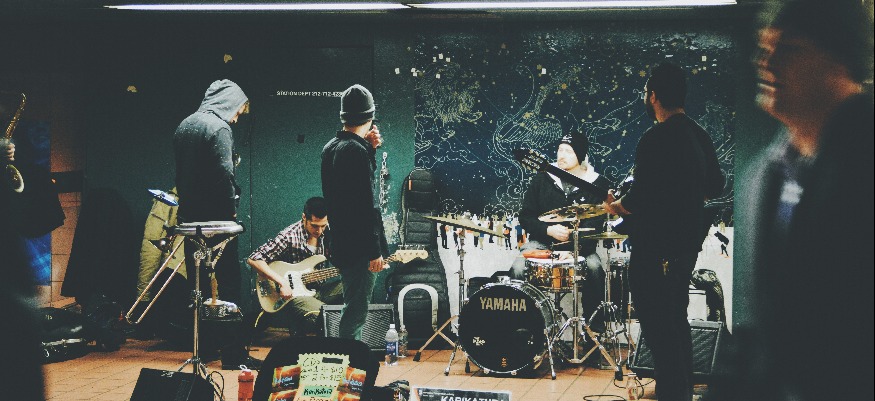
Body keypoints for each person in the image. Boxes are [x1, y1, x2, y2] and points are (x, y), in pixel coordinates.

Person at [709, 2, 873, 400]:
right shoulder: (766, 174)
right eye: (765, 49)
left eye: (790, 49)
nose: (766, 64)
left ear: (839, 58)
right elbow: (759, 332)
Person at [603, 62, 724, 401]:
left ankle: (671, 394)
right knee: (676, 323)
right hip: (686, 248)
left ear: (653, 96)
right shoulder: (699, 135)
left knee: (659, 331)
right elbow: (716, 185)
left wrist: (615, 206)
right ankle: (681, 393)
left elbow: (638, 199)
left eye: (646, 93)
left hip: (655, 249)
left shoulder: (655, 138)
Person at [173, 79, 258, 368]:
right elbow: (224, 173)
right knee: (229, 284)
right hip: (218, 222)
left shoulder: (185, 125)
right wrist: (230, 211)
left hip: (190, 220)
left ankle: (204, 347)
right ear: (229, 103)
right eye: (237, 111)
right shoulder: (219, 128)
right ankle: (233, 354)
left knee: (196, 284)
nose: (236, 118)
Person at [513, 132, 612, 329]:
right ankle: (523, 328)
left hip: (581, 247)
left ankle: (594, 331)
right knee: (518, 267)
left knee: (594, 269)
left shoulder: (597, 184)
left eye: (569, 151)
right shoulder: (543, 178)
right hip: (542, 243)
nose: (562, 155)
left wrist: (575, 249)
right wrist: (548, 230)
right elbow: (526, 217)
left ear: (580, 155)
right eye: (560, 150)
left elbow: (595, 225)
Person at [321, 84, 389, 341]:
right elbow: (366, 205)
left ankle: (348, 359)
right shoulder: (357, 151)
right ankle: (350, 362)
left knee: (352, 307)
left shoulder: (331, 147)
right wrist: (375, 251)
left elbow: (347, 195)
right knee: (356, 313)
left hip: (342, 242)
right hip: (361, 247)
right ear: (370, 118)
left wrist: (370, 149)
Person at [247, 197, 343, 335]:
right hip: (293, 296)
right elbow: (254, 259)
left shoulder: (328, 232)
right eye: (314, 226)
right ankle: (299, 325)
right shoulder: (289, 236)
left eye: (323, 225)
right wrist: (282, 282)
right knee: (325, 315)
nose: (319, 231)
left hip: (317, 290)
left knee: (353, 285)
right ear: (304, 217)